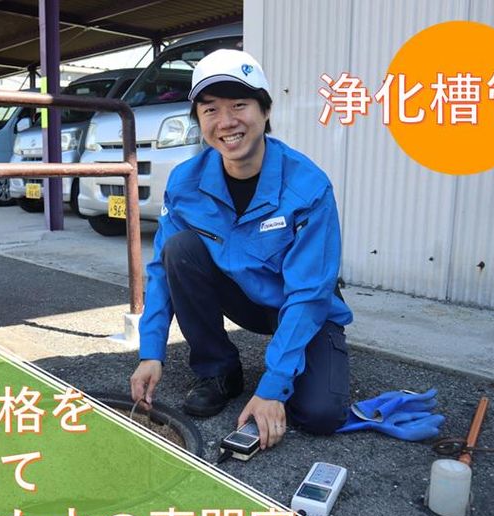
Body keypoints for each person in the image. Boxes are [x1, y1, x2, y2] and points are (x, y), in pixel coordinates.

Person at [130, 49, 352, 449]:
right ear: (199, 120)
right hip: (241, 297)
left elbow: (309, 293)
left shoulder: (308, 186)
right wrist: (151, 353)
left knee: (320, 414)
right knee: (179, 250)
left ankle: (289, 368)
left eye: (239, 105)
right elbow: (162, 272)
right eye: (210, 109)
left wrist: (273, 388)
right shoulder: (185, 182)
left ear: (265, 111)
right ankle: (219, 370)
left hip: (302, 304)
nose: (226, 121)